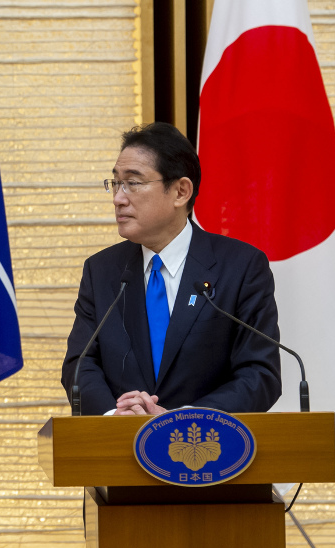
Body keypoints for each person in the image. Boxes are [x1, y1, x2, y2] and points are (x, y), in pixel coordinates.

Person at [61, 122, 281, 415]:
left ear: (181, 191)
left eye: (133, 183)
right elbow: (80, 365)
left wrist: (181, 418)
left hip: (208, 448)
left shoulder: (241, 267)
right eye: (115, 183)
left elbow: (260, 374)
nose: (118, 198)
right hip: (120, 448)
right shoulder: (101, 271)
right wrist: (115, 417)